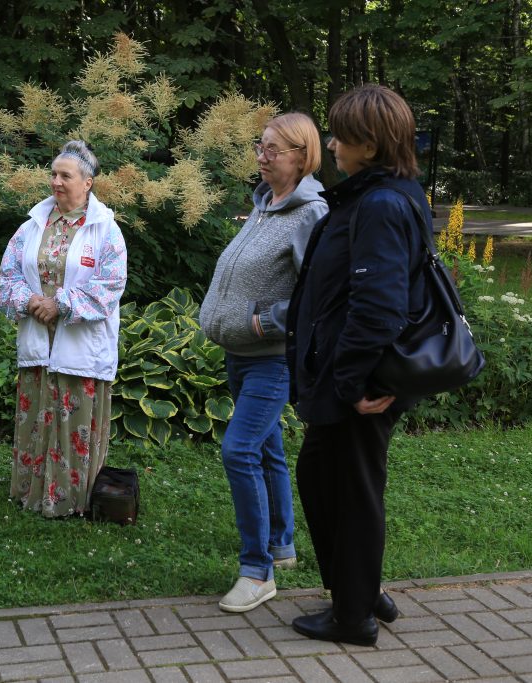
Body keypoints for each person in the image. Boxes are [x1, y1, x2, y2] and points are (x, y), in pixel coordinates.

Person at [286, 85, 431, 646]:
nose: (332, 143)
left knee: (348, 488)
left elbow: (378, 307)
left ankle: (353, 617)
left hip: (360, 383)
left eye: (342, 135)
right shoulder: (383, 195)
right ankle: (360, 591)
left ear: (369, 144)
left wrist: (349, 384)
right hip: (352, 377)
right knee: (328, 478)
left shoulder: (382, 205)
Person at [199, 113, 328, 612]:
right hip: (239, 355)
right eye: (261, 145)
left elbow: (319, 294)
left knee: (240, 451)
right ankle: (282, 543)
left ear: (302, 155)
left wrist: (266, 323)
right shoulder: (264, 205)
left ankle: (258, 571)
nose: (262, 154)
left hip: (271, 360)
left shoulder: (310, 214)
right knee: (268, 448)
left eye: (274, 148)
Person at [0, 140, 127, 517]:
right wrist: (30, 301)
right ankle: (31, 492)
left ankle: (71, 499)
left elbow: (110, 285)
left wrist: (61, 304)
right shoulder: (32, 226)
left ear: (87, 183)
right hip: (40, 339)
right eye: (53, 174)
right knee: (38, 415)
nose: (56, 181)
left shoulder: (106, 231)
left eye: (65, 175)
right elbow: (8, 273)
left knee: (73, 420)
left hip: (79, 344)